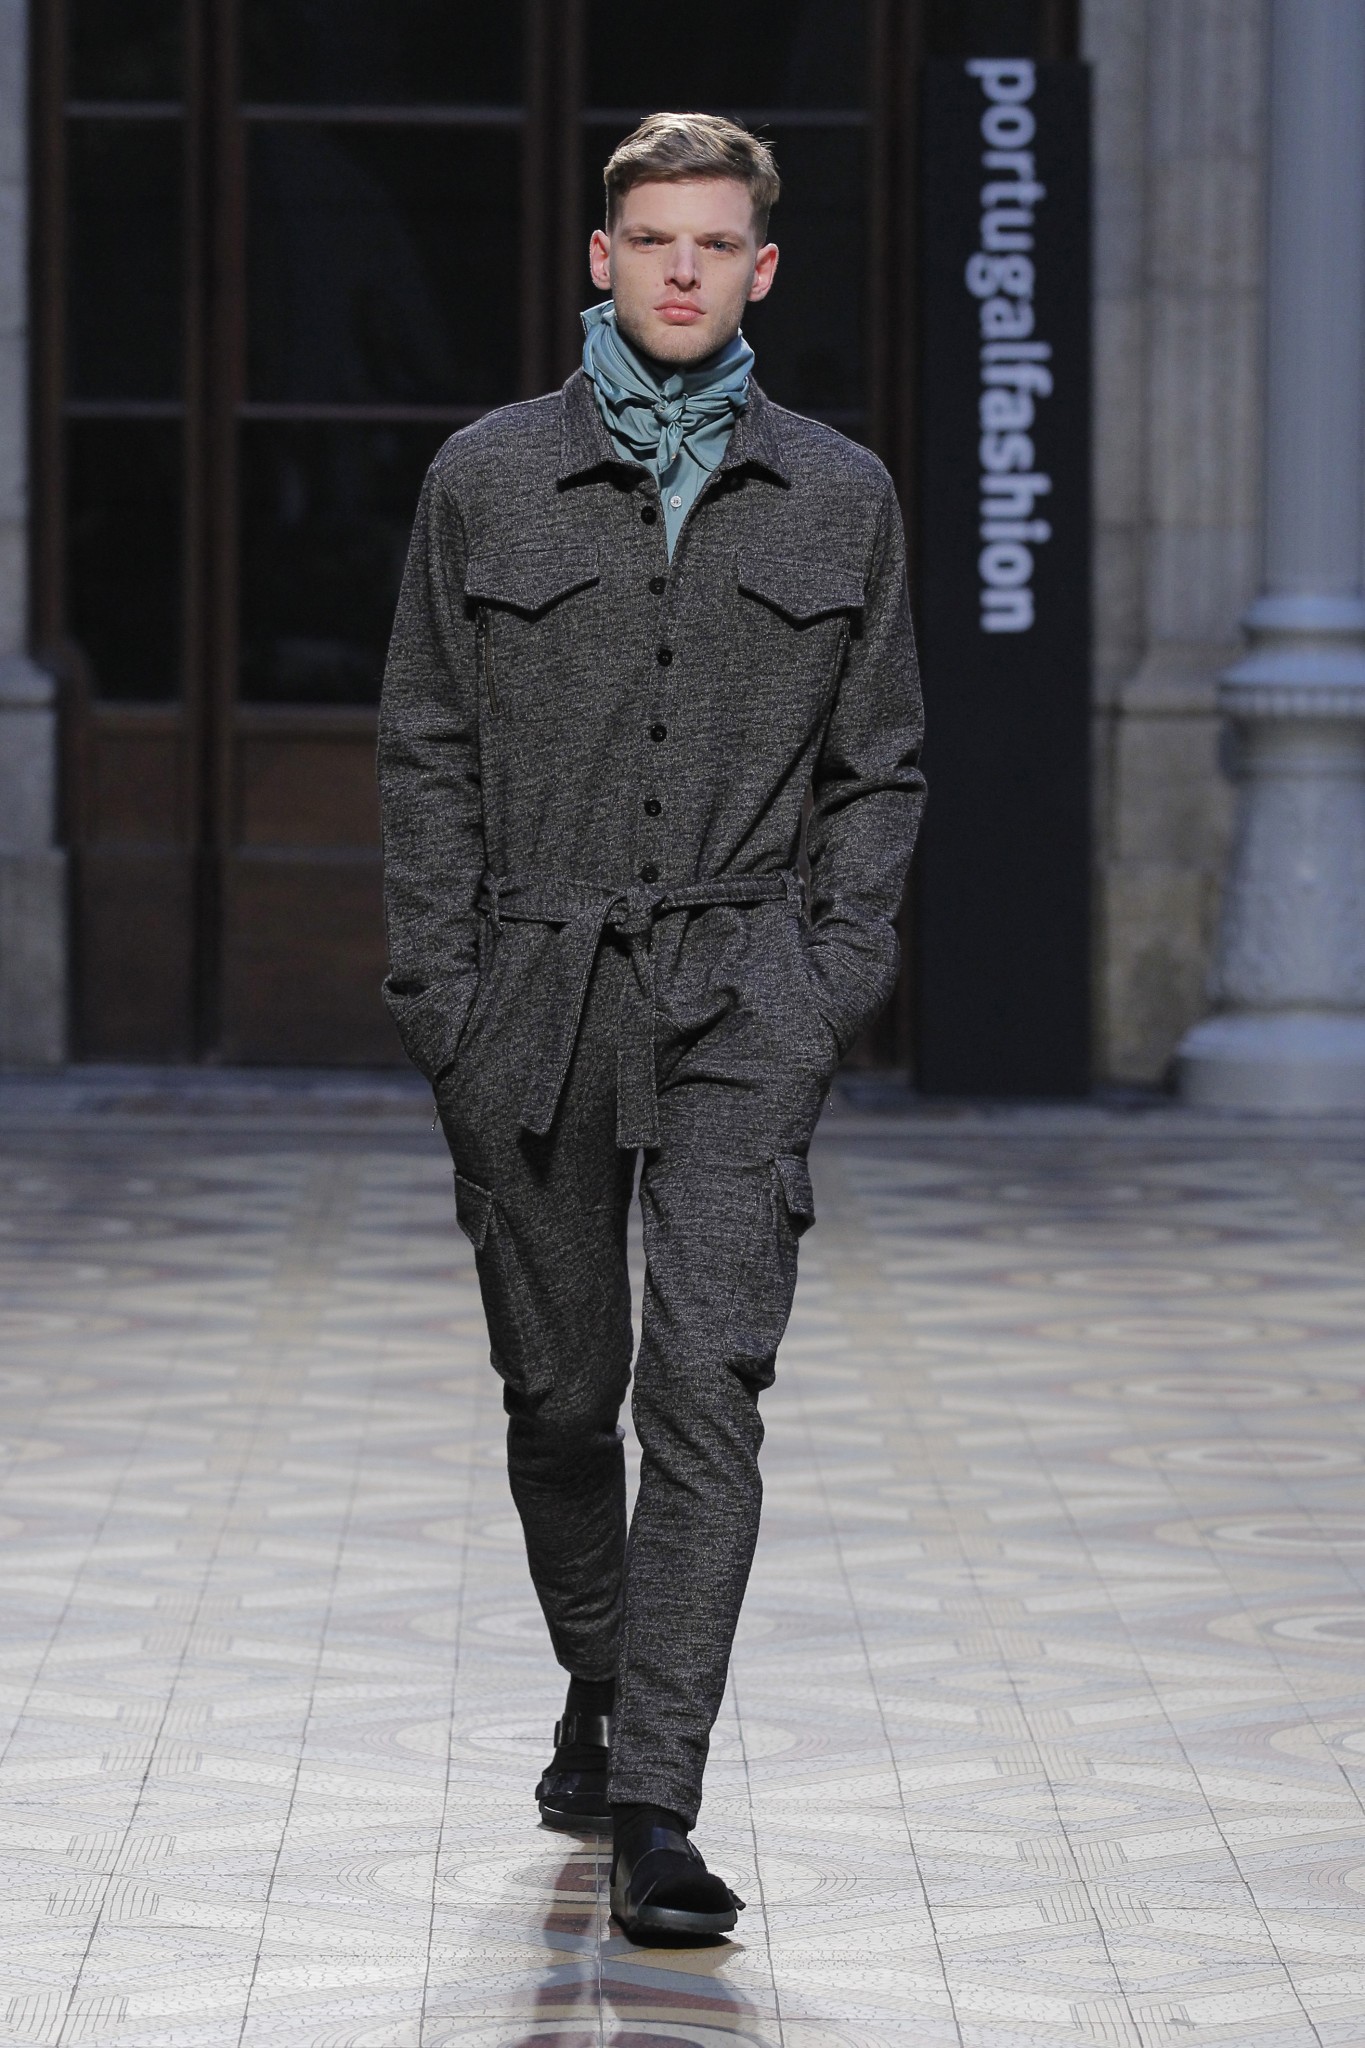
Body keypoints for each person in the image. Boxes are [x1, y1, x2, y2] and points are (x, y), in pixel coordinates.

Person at [378, 111, 925, 1944]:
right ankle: (599, 1684)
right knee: (559, 1395)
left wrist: (829, 978)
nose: (681, 270)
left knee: (707, 1390)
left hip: (744, 991)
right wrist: (442, 995)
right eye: (652, 240)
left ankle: (654, 1804)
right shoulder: (486, 476)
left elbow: (880, 764)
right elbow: (424, 745)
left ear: (759, 270)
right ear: (600, 259)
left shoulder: (839, 493)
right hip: (531, 989)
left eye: (714, 244)